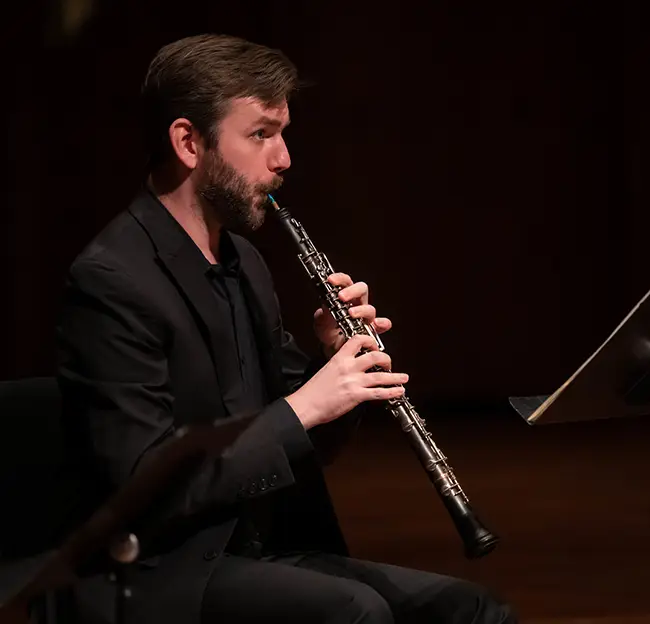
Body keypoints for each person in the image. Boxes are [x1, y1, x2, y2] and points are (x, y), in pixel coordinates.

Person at [56, 33, 517, 624]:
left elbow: (303, 445)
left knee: (475, 609)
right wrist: (304, 407)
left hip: (263, 546)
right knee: (355, 612)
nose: (284, 159)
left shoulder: (243, 262)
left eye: (282, 134)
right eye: (261, 135)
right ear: (188, 142)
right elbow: (143, 485)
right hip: (161, 571)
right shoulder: (112, 280)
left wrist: (338, 369)